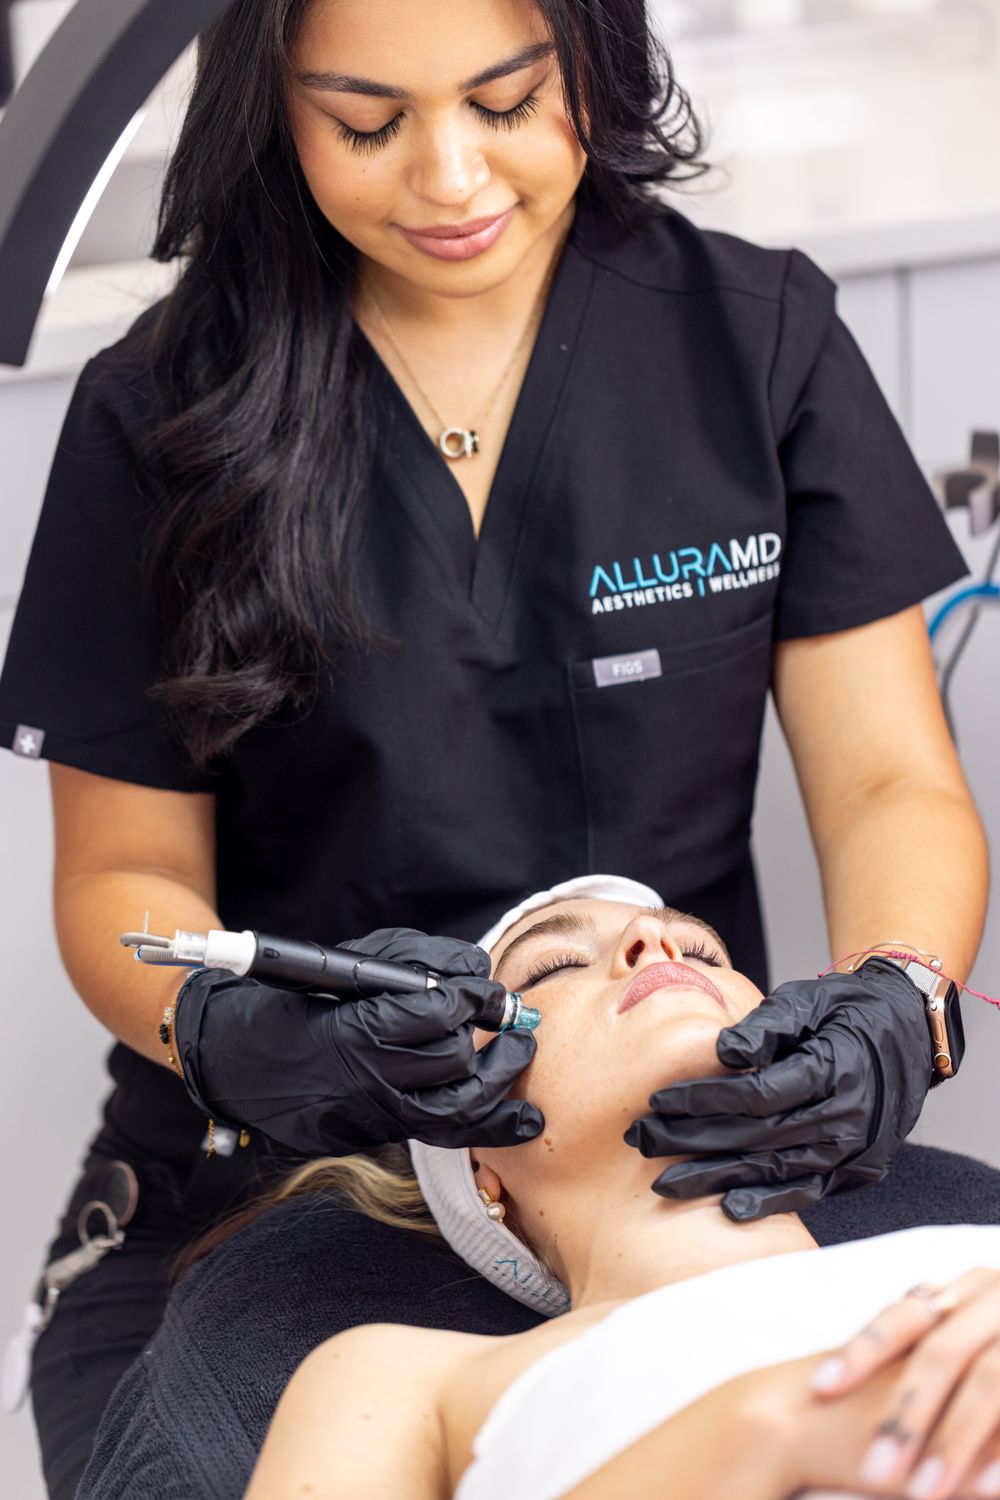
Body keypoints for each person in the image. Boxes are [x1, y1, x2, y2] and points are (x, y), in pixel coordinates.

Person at [0, 0, 987, 1491]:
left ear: (593, 65)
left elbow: (890, 786)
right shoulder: (164, 414)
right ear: (274, 106)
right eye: (368, 122)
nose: (451, 178)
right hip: (261, 1175)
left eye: (509, 103)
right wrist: (238, 1036)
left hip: (706, 1142)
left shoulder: (750, 343)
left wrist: (901, 1005)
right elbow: (123, 875)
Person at [76, 879, 1000, 1499]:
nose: (655, 937)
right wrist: (760, 1439)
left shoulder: (975, 1259)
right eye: (556, 966)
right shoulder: (400, 1384)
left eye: (706, 951)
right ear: (483, 1172)